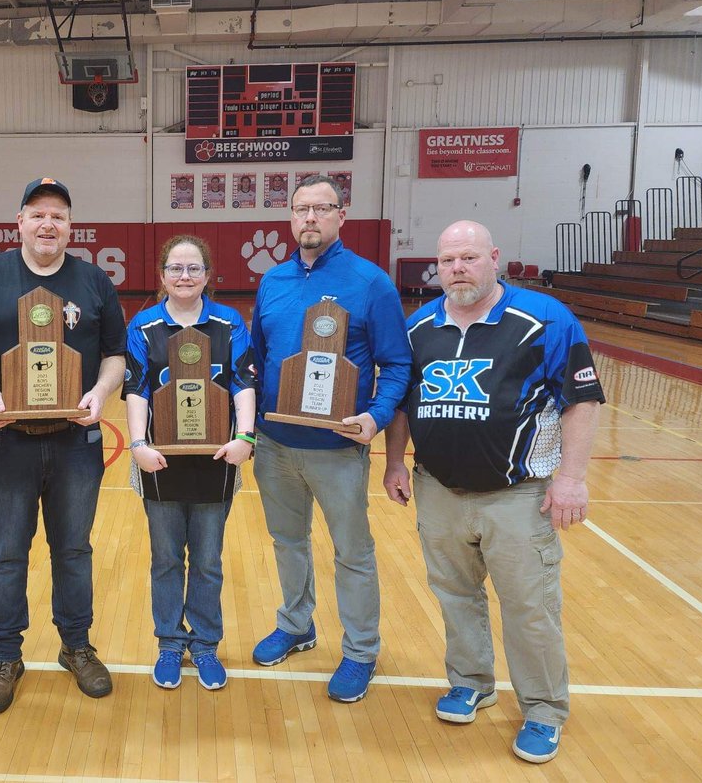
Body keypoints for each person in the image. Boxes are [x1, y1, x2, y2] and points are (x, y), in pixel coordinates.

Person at [382, 220, 604, 765]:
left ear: (494, 258)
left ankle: (544, 709)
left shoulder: (545, 319)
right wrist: (393, 464)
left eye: (469, 258)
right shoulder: (418, 328)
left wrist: (571, 478)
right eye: (448, 260)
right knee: (455, 595)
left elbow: (583, 402)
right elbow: (403, 404)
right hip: (437, 489)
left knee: (529, 606)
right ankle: (471, 682)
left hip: (518, 494)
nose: (458, 269)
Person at [0, 178, 127, 715]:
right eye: (38, 214)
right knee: (6, 552)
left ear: (71, 227)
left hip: (75, 443)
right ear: (19, 221)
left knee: (73, 549)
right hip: (5, 441)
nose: (49, 224)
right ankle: (5, 655)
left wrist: (99, 390)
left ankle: (76, 646)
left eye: (59, 216)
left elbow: (115, 352)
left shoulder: (93, 282)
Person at [250, 174, 411, 703]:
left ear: (342, 214)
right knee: (287, 541)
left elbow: (397, 363)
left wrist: (377, 414)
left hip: (339, 447)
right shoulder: (272, 282)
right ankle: (297, 625)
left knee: (352, 552)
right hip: (274, 445)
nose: (310, 218)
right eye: (301, 209)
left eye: (322, 208)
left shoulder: (371, 283)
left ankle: (361, 650)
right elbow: (255, 360)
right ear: (290, 218)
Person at [123, 235, 257, 691]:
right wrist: (137, 443)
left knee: (206, 559)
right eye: (176, 268)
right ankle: (168, 642)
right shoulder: (142, 326)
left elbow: (241, 383)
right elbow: (137, 387)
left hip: (217, 459)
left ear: (207, 275)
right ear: (162, 276)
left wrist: (245, 437)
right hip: (160, 460)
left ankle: (203, 644)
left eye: (194, 268)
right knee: (165, 559)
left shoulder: (229, 322)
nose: (185, 276)